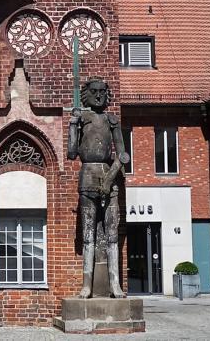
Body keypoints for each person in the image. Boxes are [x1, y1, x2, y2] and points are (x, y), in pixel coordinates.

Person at [67, 77, 129, 299]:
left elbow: (123, 155)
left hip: (108, 174)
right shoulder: (83, 118)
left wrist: (111, 176)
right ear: (87, 94)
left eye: (103, 91)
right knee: (89, 233)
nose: (99, 95)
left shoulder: (112, 120)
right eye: (95, 91)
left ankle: (114, 284)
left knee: (112, 233)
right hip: (88, 175)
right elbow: (72, 153)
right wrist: (73, 126)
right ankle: (87, 285)